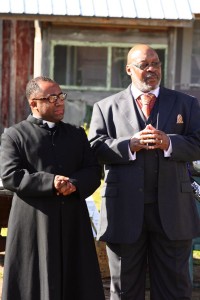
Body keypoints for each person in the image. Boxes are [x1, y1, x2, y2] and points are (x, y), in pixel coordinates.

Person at [88, 44, 200, 300]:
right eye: (143, 65)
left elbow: (198, 143)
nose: (151, 69)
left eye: (156, 63)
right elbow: (95, 147)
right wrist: (130, 145)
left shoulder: (186, 103)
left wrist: (169, 143)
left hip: (173, 209)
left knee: (174, 288)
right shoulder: (106, 107)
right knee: (125, 288)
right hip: (124, 210)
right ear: (128, 69)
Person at [0, 76, 105, 300]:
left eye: (61, 96)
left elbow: (93, 171)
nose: (59, 102)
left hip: (72, 221)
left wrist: (73, 185)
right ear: (34, 103)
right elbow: (11, 175)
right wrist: (51, 182)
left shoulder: (76, 134)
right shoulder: (15, 135)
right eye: (52, 98)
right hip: (33, 222)